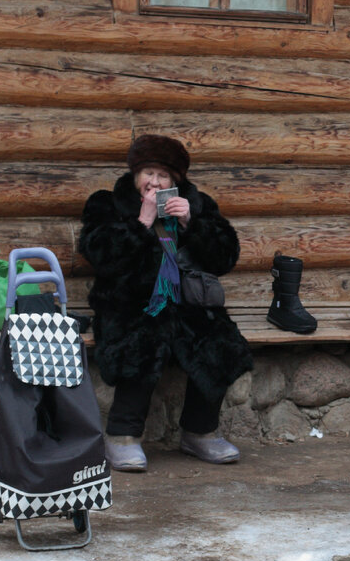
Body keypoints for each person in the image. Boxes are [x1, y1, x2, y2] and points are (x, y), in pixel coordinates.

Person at [79, 134, 253, 472]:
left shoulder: (197, 203)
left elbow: (225, 257)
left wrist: (193, 223)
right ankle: (122, 437)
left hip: (187, 301)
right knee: (142, 339)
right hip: (129, 301)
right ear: (135, 174)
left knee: (219, 341)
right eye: (148, 173)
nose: (154, 183)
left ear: (176, 180)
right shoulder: (107, 203)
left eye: (164, 176)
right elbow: (99, 255)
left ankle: (200, 433)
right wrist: (141, 221)